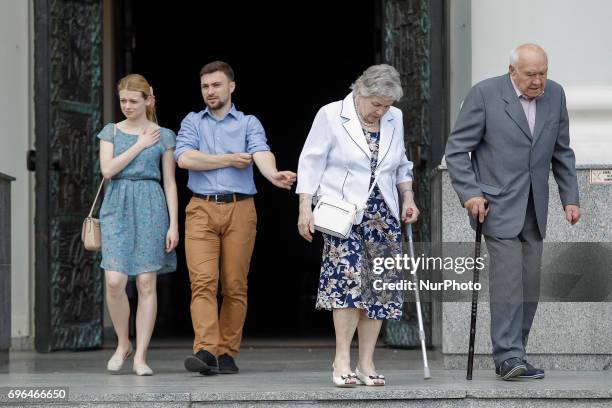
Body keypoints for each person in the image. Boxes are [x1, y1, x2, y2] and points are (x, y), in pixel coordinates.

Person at [445, 44, 580, 380]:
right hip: (497, 205)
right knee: (508, 283)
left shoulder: (556, 95)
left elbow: (562, 152)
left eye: (543, 73)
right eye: (531, 74)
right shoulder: (484, 95)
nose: (538, 81)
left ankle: (516, 352)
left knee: (530, 285)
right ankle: (507, 357)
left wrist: (570, 198)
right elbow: (457, 151)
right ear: (512, 71)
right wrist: (471, 193)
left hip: (535, 206)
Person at [296, 64, 419, 387]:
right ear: (360, 90)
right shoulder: (331, 114)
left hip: (384, 215)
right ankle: (342, 359)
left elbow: (401, 163)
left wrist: (408, 198)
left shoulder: (396, 118)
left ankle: (366, 362)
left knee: (377, 290)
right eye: (375, 103)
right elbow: (310, 161)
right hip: (344, 214)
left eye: (386, 105)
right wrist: (304, 208)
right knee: (347, 286)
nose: (380, 111)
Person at [175, 61, 296, 376]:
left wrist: (272, 175)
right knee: (202, 282)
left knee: (234, 285)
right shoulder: (192, 121)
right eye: (205, 86)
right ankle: (206, 350)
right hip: (200, 208)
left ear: (231, 86)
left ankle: (227, 353)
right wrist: (228, 159)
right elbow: (185, 158)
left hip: (240, 209)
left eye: (216, 85)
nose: (210, 91)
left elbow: (260, 152)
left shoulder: (248, 123)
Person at [98, 74, 179, 376]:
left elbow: (170, 183)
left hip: (151, 204)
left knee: (147, 283)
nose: (127, 106)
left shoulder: (165, 135)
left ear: (148, 99)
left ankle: (140, 356)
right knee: (115, 281)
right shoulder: (111, 132)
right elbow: (108, 170)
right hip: (117, 205)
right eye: (123, 101)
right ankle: (123, 342)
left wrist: (174, 224)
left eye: (133, 100)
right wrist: (139, 144)